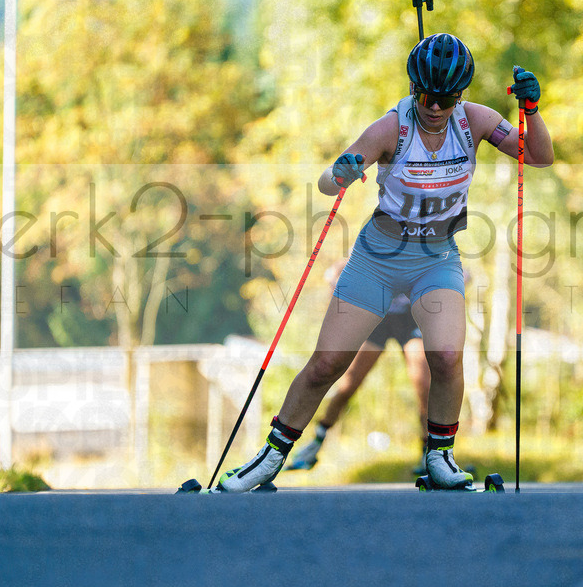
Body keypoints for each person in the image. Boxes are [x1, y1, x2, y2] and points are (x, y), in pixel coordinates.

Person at [216, 33, 553, 492]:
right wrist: (341, 172)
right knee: (327, 364)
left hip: (436, 257)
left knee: (448, 358)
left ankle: (439, 458)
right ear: (415, 87)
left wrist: (531, 112)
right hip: (378, 257)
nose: (436, 106)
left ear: (460, 95)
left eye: (447, 97)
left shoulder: (475, 122)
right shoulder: (390, 128)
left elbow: (538, 156)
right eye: (427, 95)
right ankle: (270, 459)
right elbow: (326, 183)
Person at [287, 260, 431, 473]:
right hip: (378, 317)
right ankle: (315, 443)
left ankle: (430, 452)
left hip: (409, 318)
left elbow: (458, 273)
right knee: (349, 383)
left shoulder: (420, 242)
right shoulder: (378, 240)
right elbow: (335, 272)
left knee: (424, 384)